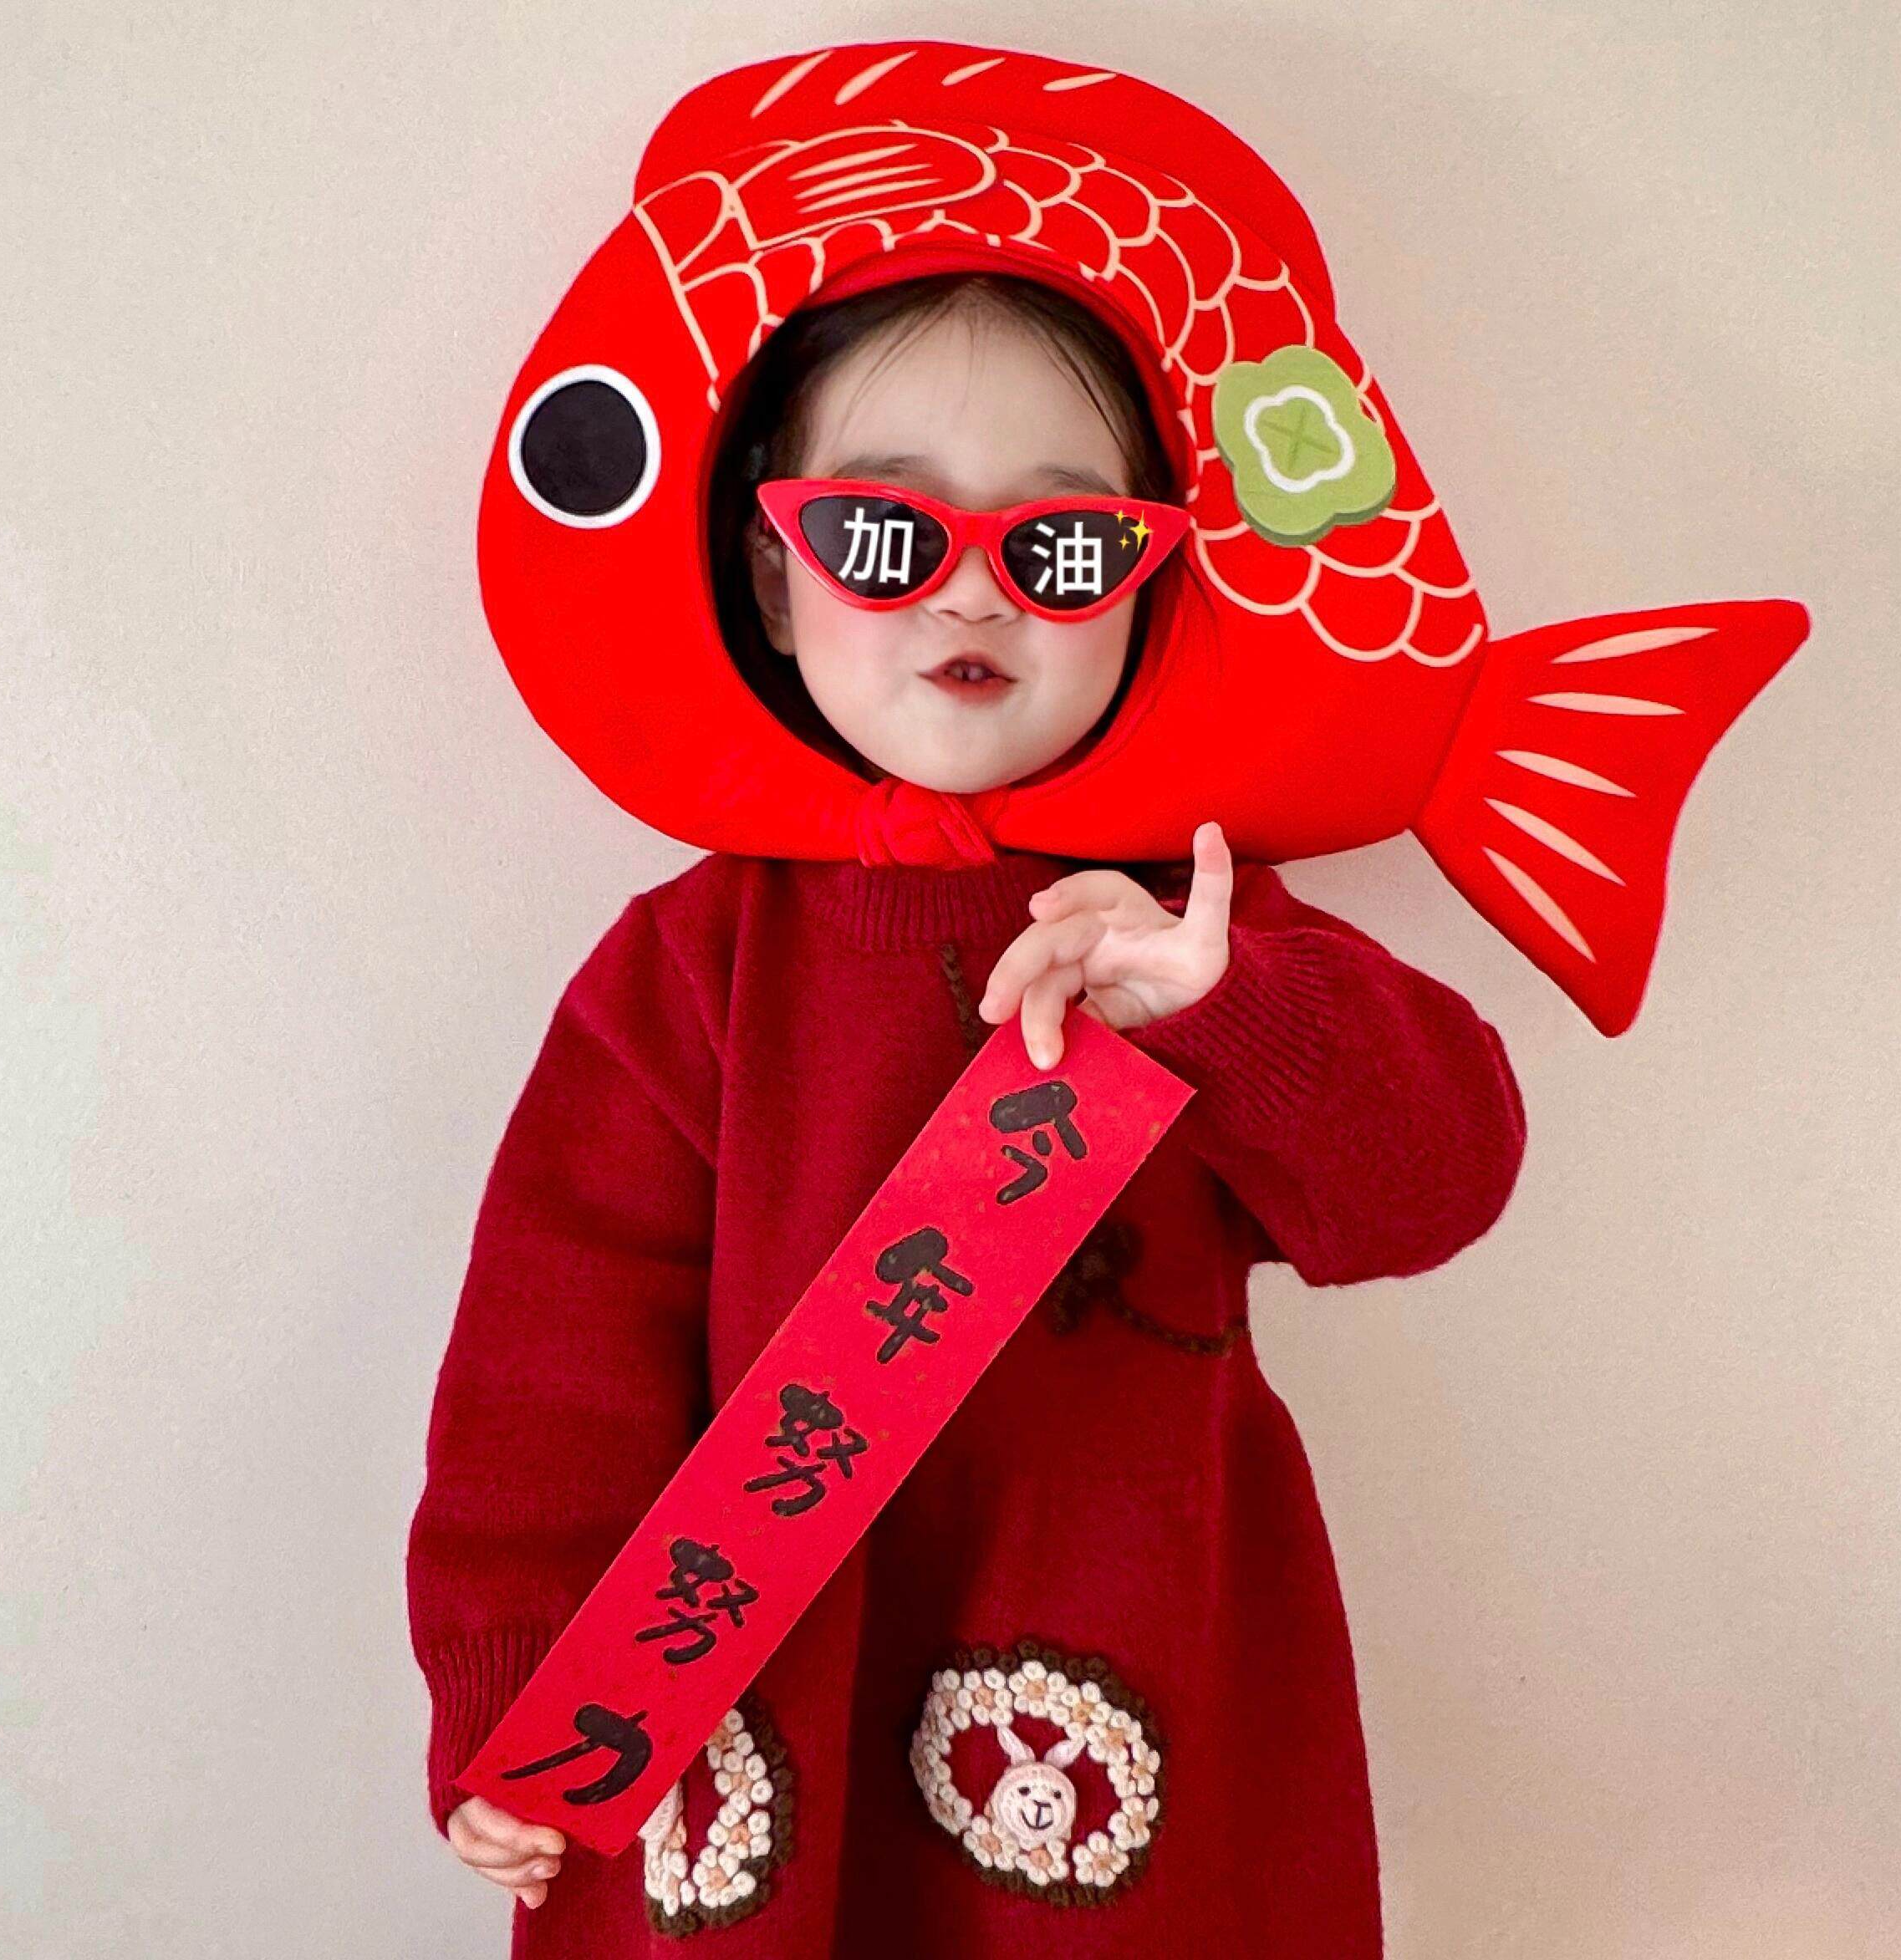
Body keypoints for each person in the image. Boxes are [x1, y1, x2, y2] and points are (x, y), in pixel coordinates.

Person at [406, 268, 1528, 1955]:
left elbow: (1435, 1184)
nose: (974, 591)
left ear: (1147, 585)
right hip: (752, 1674)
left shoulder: (1188, 930)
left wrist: (1228, 1007)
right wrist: (515, 1682)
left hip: (1131, 1672)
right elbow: (549, 1365)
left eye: (1062, 549)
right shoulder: (694, 964)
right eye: (884, 533)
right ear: (774, 577)